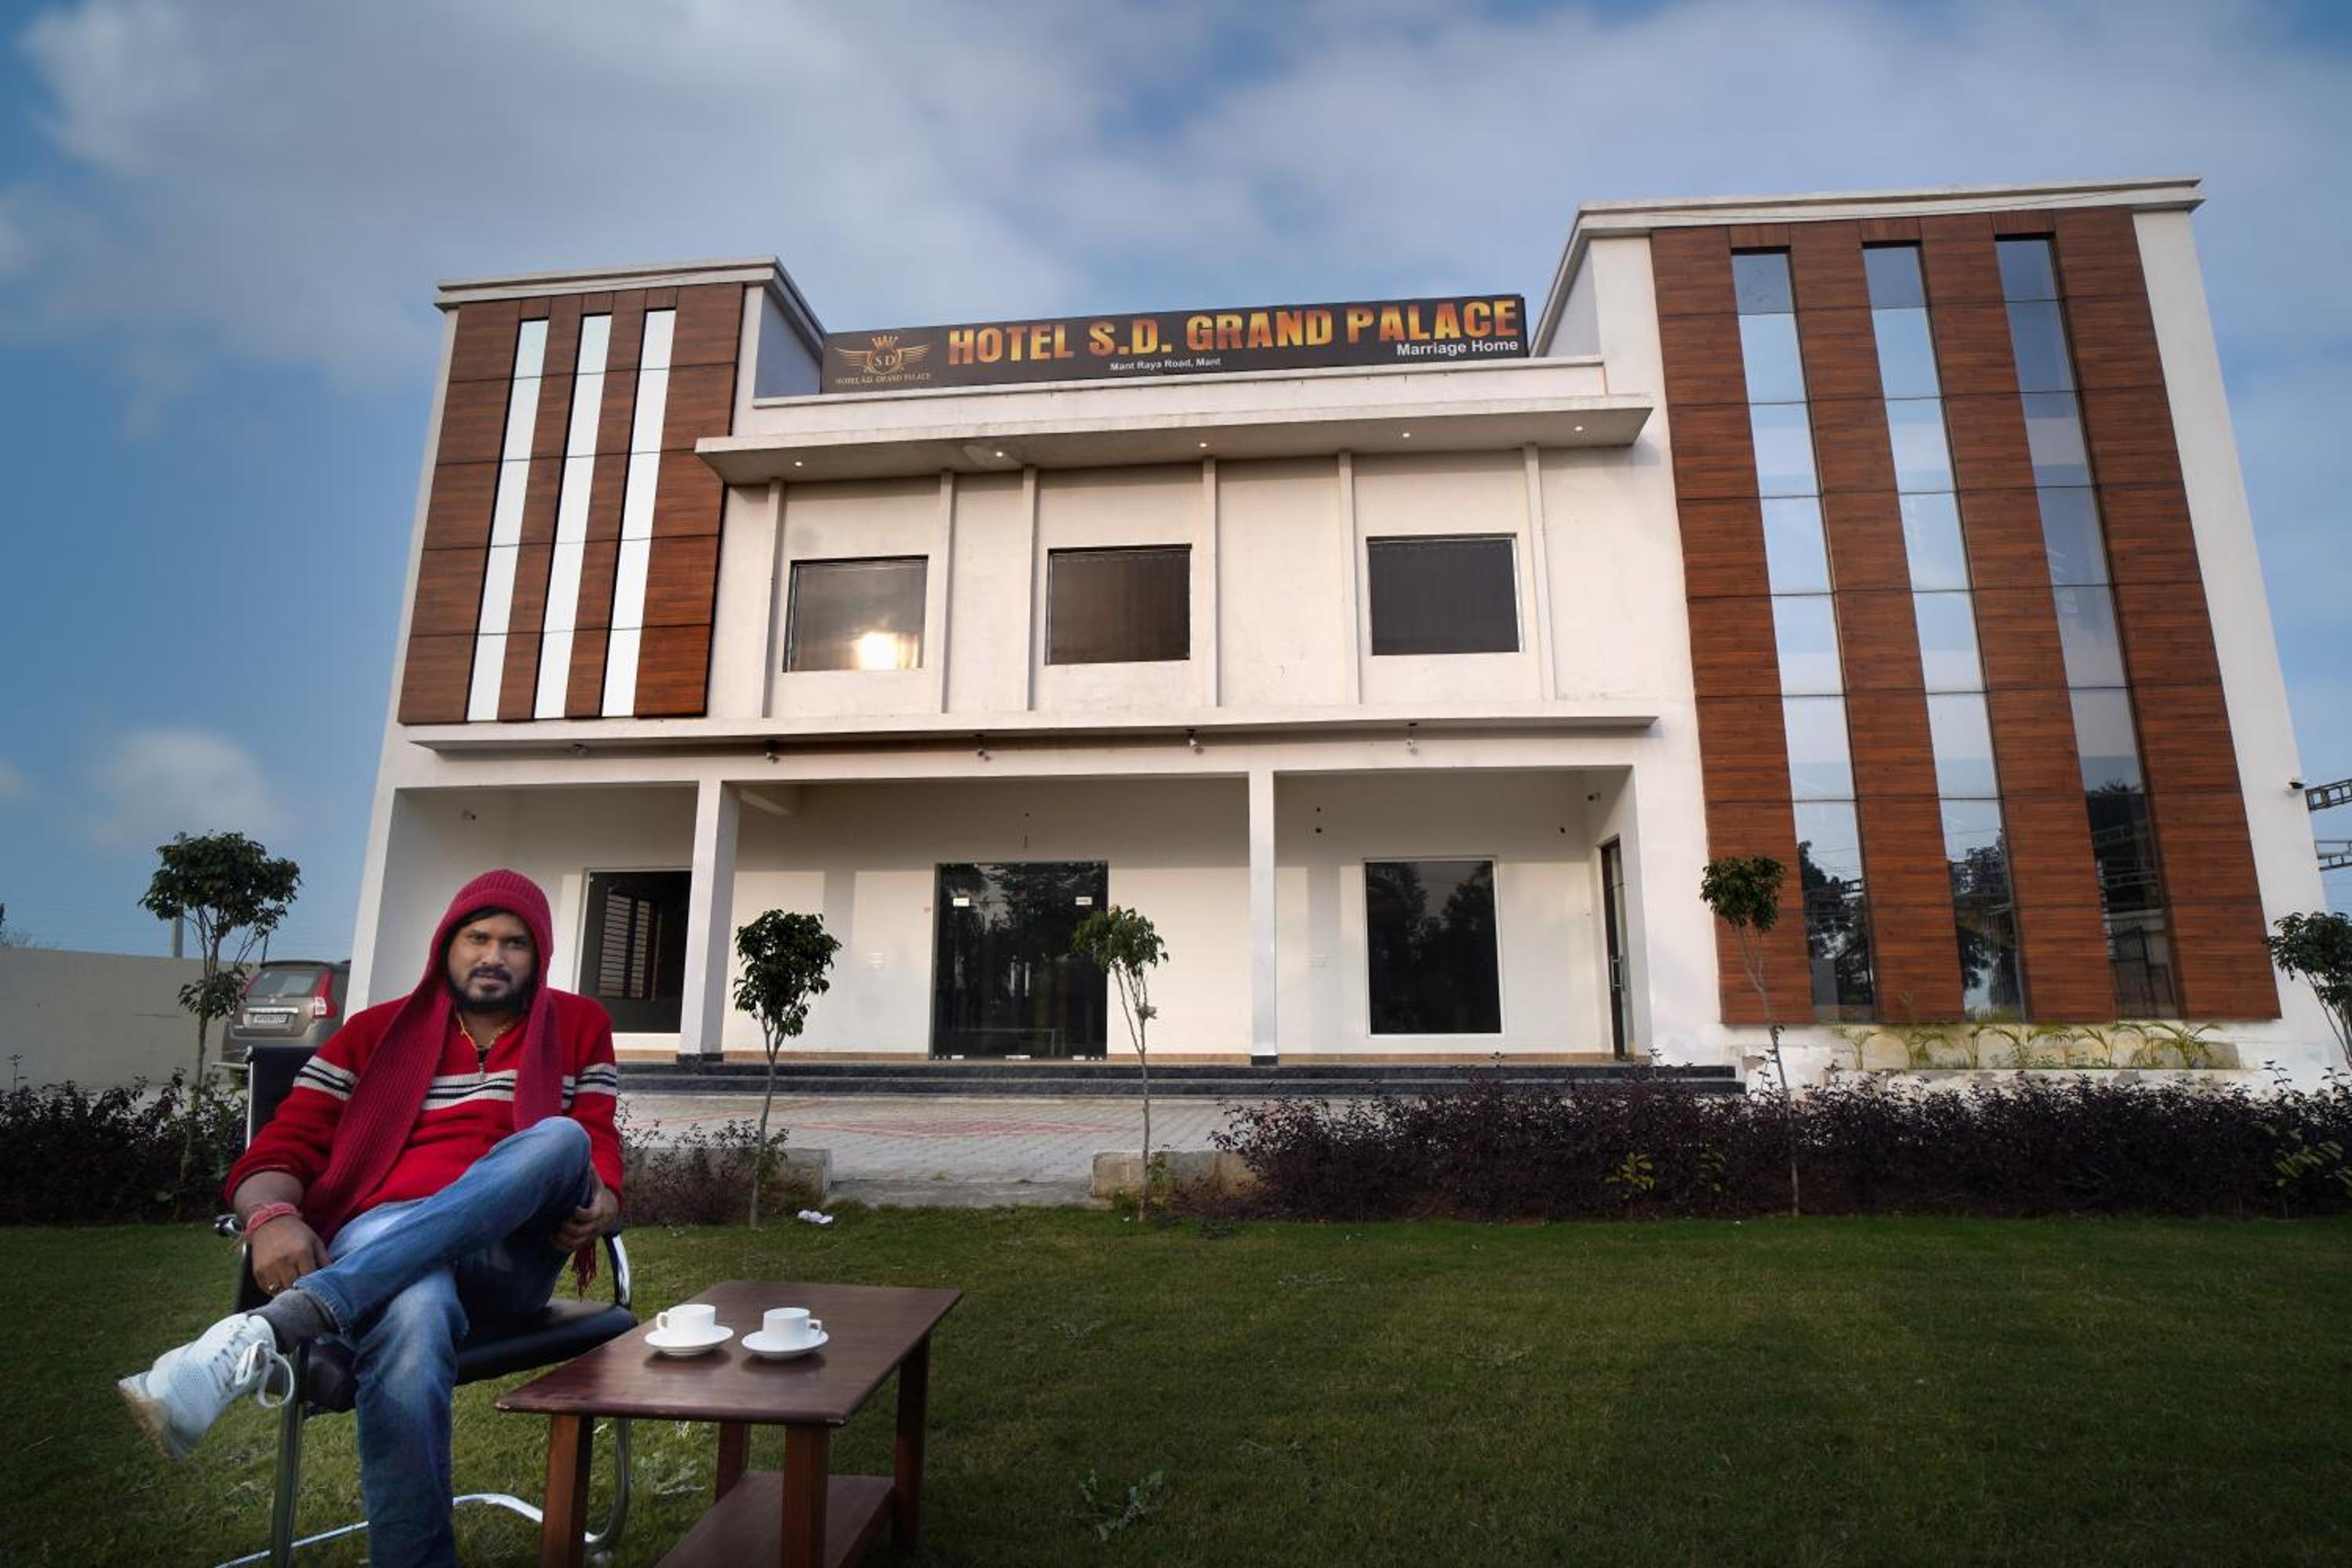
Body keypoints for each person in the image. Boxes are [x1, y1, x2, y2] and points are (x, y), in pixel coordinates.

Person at [118, 868, 624, 1567]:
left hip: (512, 1256)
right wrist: (271, 1216)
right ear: (446, 945)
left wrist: (607, 1202)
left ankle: (278, 1324)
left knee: (561, 1140)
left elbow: (596, 1139)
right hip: (382, 1235)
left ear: (538, 955)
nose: (493, 956)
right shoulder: (369, 1034)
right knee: (415, 1302)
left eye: (514, 943)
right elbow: (281, 1150)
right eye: (478, 938)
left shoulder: (579, 1026)